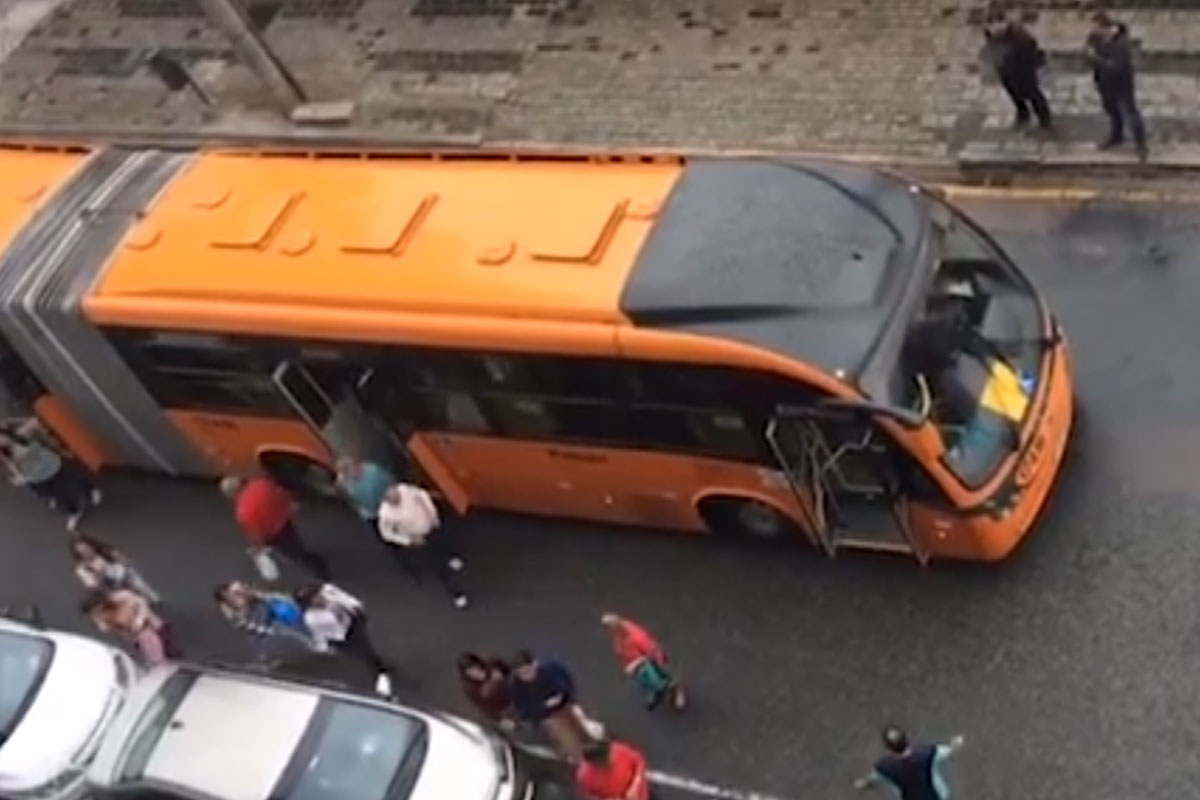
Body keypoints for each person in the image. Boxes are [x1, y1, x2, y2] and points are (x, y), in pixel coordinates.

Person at [220, 474, 331, 581]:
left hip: (275, 534)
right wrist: (289, 504)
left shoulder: (242, 512)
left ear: (231, 494)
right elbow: (281, 493)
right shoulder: (260, 483)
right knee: (296, 545)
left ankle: (320, 571)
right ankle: (315, 560)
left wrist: (257, 547)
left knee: (295, 553)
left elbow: (256, 533)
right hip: (284, 520)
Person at [376, 481, 468, 609]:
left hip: (432, 526)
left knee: (445, 543)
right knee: (437, 565)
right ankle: (456, 594)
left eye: (396, 496)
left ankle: (451, 558)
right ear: (386, 500)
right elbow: (387, 534)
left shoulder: (405, 490)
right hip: (419, 538)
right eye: (393, 499)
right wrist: (408, 541)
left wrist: (433, 514)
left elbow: (422, 494)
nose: (397, 500)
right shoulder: (386, 514)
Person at [295, 582, 394, 698]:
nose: (319, 598)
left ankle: (377, 664)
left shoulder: (329, 590)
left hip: (352, 622)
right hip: (342, 637)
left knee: (366, 646)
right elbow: (319, 634)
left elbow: (345, 598)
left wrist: (356, 606)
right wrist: (323, 649)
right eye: (313, 599)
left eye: (317, 594)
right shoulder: (312, 618)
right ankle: (377, 671)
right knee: (362, 653)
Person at [0, 424, 100, 531]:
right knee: (59, 496)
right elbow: (15, 471)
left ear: (5, 433)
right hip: (38, 477)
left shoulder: (22, 436)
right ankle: (74, 512)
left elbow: (36, 424)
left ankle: (91, 490)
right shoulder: (5, 455)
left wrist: (48, 440)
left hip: (51, 465)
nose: (1, 441)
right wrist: (20, 478)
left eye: (1, 437)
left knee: (73, 481)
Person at [510, 649, 604, 762]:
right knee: (567, 739)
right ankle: (582, 760)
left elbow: (567, 682)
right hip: (546, 716)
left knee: (580, 727)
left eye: (527, 671)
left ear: (535, 664)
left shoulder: (551, 670)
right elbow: (525, 711)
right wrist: (544, 706)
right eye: (521, 674)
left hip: (563, 704)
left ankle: (596, 748)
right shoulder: (517, 688)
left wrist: (563, 695)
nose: (526, 676)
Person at [1085, 11, 1147, 159]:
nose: (1093, 31)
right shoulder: (1095, 39)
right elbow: (1087, 56)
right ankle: (1116, 135)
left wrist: (1096, 59)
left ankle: (1141, 144)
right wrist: (1088, 56)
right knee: (1111, 109)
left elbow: (1117, 66)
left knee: (1130, 111)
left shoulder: (1121, 43)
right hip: (1103, 80)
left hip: (1121, 81)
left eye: (1096, 28)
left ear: (1105, 27)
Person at [984, 9, 1052, 132]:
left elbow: (1031, 50)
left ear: (1004, 23)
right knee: (1013, 92)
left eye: (998, 25)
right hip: (1005, 68)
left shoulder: (1020, 35)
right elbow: (992, 47)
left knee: (1033, 93)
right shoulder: (989, 34)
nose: (995, 30)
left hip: (1023, 68)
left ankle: (1044, 119)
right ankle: (1023, 113)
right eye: (992, 26)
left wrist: (1026, 67)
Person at [601, 613, 685, 711]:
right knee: (647, 679)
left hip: (646, 661)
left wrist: (637, 663)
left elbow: (649, 649)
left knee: (654, 678)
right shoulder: (618, 635)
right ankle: (661, 689)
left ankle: (672, 688)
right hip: (636, 661)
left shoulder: (635, 636)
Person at [854, 726, 966, 800]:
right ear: (907, 741)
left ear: (888, 748)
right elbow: (949, 752)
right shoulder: (927, 753)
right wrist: (955, 743)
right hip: (938, 795)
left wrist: (863, 783)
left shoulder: (885, 766)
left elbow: (874, 778)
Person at [214, 580, 314, 659]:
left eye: (241, 590)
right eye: (236, 594)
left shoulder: (271, 603)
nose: (242, 594)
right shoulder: (247, 624)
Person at [83, 587, 177, 667]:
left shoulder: (120, 597)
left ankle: (165, 656)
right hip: (132, 632)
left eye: (97, 610)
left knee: (158, 640)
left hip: (144, 624)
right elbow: (105, 627)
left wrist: (139, 618)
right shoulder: (101, 616)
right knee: (148, 649)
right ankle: (161, 659)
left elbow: (140, 602)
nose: (97, 613)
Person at [69, 534, 159, 603]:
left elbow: (118, 556)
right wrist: (98, 574)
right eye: (82, 552)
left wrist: (125, 562)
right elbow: (93, 585)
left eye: (87, 548)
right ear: (78, 554)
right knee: (130, 599)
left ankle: (150, 596)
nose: (87, 552)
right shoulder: (82, 568)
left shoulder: (103, 551)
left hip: (123, 573)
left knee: (137, 582)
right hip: (111, 586)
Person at [575, 739, 651, 800]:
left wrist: (634, 785)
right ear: (593, 763)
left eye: (609, 755)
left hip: (641, 793)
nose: (611, 759)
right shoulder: (585, 777)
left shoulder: (617, 749)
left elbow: (638, 761)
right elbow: (591, 796)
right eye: (604, 760)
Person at [336, 456, 394, 535]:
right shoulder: (346, 482)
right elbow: (353, 500)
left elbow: (390, 482)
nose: (347, 477)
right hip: (370, 511)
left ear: (357, 466)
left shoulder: (373, 473)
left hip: (385, 505)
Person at [457, 653, 516, 730]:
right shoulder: (470, 688)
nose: (475, 673)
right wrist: (499, 720)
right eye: (470, 672)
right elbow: (484, 707)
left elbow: (512, 671)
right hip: (503, 709)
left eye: (476, 668)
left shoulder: (494, 664)